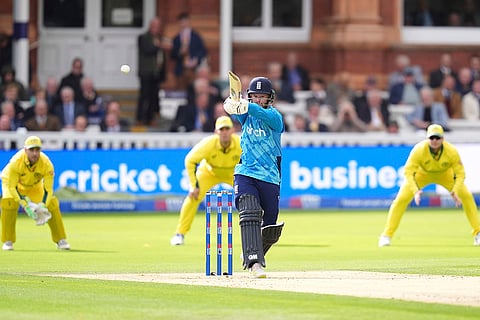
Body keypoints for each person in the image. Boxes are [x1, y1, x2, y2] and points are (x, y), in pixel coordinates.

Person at [223, 76, 285, 278]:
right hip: (246, 172)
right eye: (254, 96)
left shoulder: (275, 118)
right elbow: (231, 110)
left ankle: (254, 249)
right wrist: (231, 102)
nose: (258, 100)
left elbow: (257, 112)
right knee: (249, 211)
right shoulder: (246, 115)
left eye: (262, 96)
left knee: (270, 226)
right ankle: (254, 262)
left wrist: (245, 105)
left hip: (269, 176)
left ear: (270, 98)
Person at [379, 124, 480, 247]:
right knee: (401, 200)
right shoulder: (419, 150)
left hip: (445, 175)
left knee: (466, 196)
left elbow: (460, 173)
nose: (435, 141)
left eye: (437, 138)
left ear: (443, 139)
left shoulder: (451, 151)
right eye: (432, 138)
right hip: (422, 174)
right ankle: (386, 235)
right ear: (427, 139)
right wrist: (415, 190)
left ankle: (478, 233)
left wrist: (455, 190)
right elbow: (408, 172)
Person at [170, 116, 241, 246]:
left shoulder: (240, 143)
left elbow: (251, 161)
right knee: (193, 197)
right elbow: (190, 160)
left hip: (233, 173)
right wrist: (193, 186)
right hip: (209, 172)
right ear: (216, 132)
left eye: (227, 129)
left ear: (233, 131)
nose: (224, 132)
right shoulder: (208, 143)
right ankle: (180, 233)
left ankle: (258, 233)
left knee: (249, 198)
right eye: (221, 129)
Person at [1, 135, 70, 250]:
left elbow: (48, 190)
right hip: (11, 183)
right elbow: (13, 187)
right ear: (25, 150)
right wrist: (25, 205)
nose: (34, 153)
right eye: (31, 150)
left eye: (37, 150)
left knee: (52, 203)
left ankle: (60, 239)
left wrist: (43, 205)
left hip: (34, 185)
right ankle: (8, 241)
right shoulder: (16, 162)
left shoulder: (46, 164)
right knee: (9, 203)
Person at [137, 17, 168, 126]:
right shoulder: (143, 38)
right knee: (144, 96)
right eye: (154, 26)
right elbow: (148, 50)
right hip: (146, 72)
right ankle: (140, 118)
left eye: (158, 26)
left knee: (153, 97)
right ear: (150, 26)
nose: (156, 28)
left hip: (156, 73)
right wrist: (159, 46)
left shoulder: (160, 38)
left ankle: (150, 119)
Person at [171, 12, 207, 90]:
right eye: (182, 22)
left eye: (185, 21)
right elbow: (172, 55)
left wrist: (196, 60)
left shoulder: (196, 36)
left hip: (193, 70)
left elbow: (203, 51)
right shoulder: (176, 38)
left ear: (188, 22)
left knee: (193, 89)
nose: (183, 24)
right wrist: (180, 52)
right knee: (181, 89)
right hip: (181, 70)